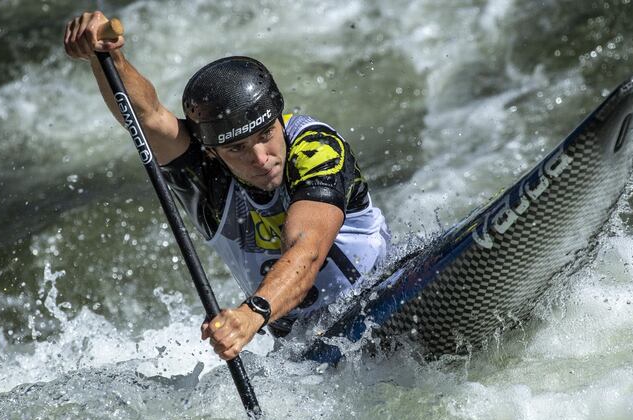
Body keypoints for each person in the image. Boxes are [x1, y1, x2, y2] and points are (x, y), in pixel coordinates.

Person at [63, 11, 390, 360]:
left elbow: (307, 249)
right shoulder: (206, 180)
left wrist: (252, 314)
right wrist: (107, 56)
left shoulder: (316, 148)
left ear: (278, 118)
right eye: (237, 149)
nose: (261, 158)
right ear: (213, 151)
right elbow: (146, 116)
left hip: (382, 299)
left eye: (266, 135)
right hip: (303, 352)